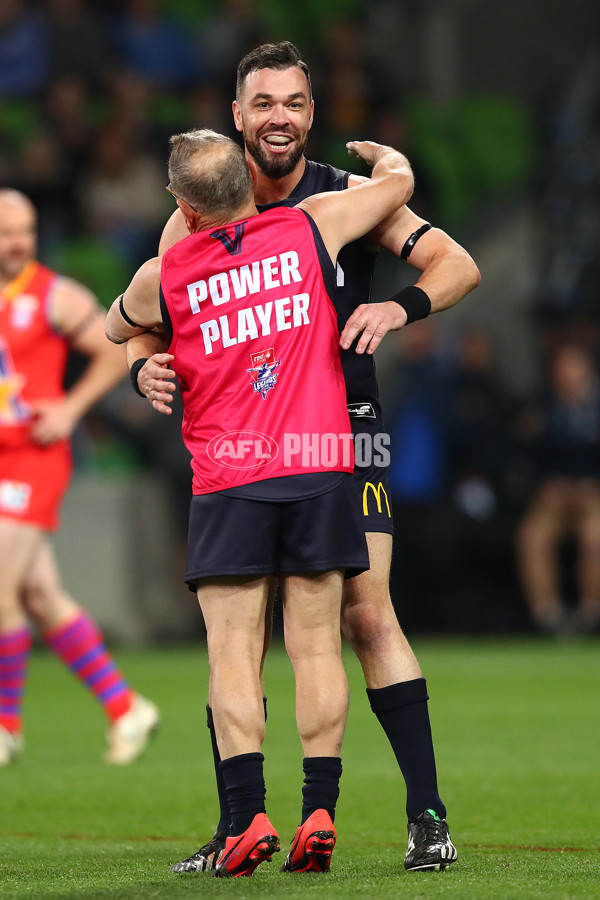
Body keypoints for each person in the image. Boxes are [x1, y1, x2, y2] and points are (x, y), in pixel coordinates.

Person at [130, 41, 480, 873]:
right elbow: (155, 311)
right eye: (263, 103)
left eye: (293, 102)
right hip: (243, 438)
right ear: (238, 115)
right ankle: (236, 827)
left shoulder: (342, 196)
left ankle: (426, 815)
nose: (278, 117)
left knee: (366, 612)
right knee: (238, 639)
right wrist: (144, 363)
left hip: (347, 428)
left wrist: (398, 311)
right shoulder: (200, 205)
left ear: (311, 114)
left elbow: (456, 262)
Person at [105, 128, 415, 877]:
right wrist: (387, 161)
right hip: (318, 467)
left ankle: (245, 819)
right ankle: (319, 810)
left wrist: (146, 364)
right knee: (315, 644)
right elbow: (398, 189)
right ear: (249, 179)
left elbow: (119, 326)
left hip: (230, 478)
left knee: (234, 650)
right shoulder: (312, 225)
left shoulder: (165, 271)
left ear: (181, 204)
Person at [0, 189, 160, 766]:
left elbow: (112, 351)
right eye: (7, 232)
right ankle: (126, 708)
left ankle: (5, 726)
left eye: (26, 229)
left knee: (1, 589)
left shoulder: (55, 296)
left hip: (34, 457)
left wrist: (68, 411)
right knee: (38, 594)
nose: (19, 242)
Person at [516, 342, 600, 635]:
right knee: (532, 538)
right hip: (554, 497)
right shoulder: (542, 404)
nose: (568, 374)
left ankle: (590, 617)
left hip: (593, 496)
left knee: (595, 538)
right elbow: (529, 453)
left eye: (575, 366)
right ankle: (549, 618)